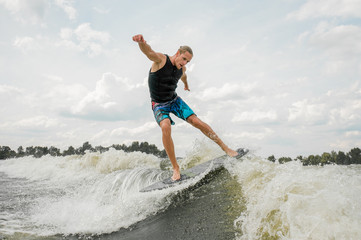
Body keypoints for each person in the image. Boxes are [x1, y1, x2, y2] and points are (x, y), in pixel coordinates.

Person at [132, 34, 240, 181]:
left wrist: (186, 85)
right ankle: (175, 168)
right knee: (165, 126)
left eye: (187, 61)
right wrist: (141, 42)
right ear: (177, 53)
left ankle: (226, 148)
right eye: (183, 59)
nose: (184, 63)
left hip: (174, 100)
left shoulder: (182, 69)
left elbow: (183, 76)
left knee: (197, 122)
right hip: (158, 104)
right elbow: (149, 52)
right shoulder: (161, 60)